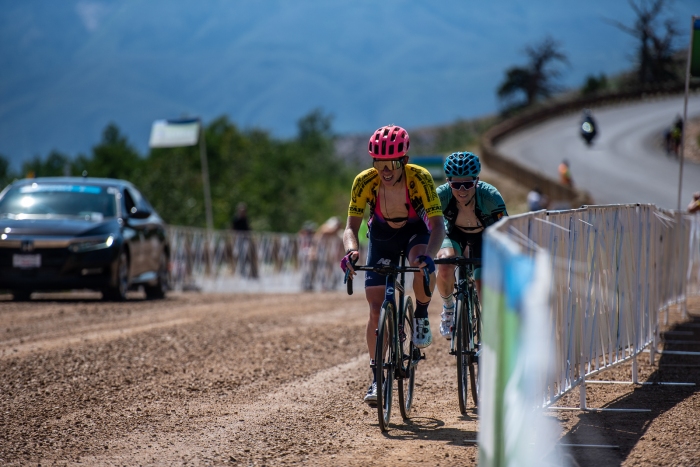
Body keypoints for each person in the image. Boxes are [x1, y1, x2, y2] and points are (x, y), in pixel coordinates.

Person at [341, 124, 445, 405]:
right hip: (382, 236)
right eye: (379, 163)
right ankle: (377, 379)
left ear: (405, 161)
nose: (385, 171)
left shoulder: (420, 178)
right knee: (376, 311)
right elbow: (350, 227)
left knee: (419, 264)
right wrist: (351, 252)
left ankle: (421, 314)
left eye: (392, 164)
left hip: (415, 232)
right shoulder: (364, 181)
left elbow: (437, 226)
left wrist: (429, 256)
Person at [435, 152, 508, 339]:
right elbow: (428, 226)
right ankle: (449, 309)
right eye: (456, 184)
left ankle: (489, 332)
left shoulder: (491, 197)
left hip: (484, 237)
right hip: (454, 234)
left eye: (467, 184)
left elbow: (506, 230)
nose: (462, 190)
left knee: (482, 281)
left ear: (477, 180)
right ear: (448, 182)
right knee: (444, 265)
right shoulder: (440, 196)